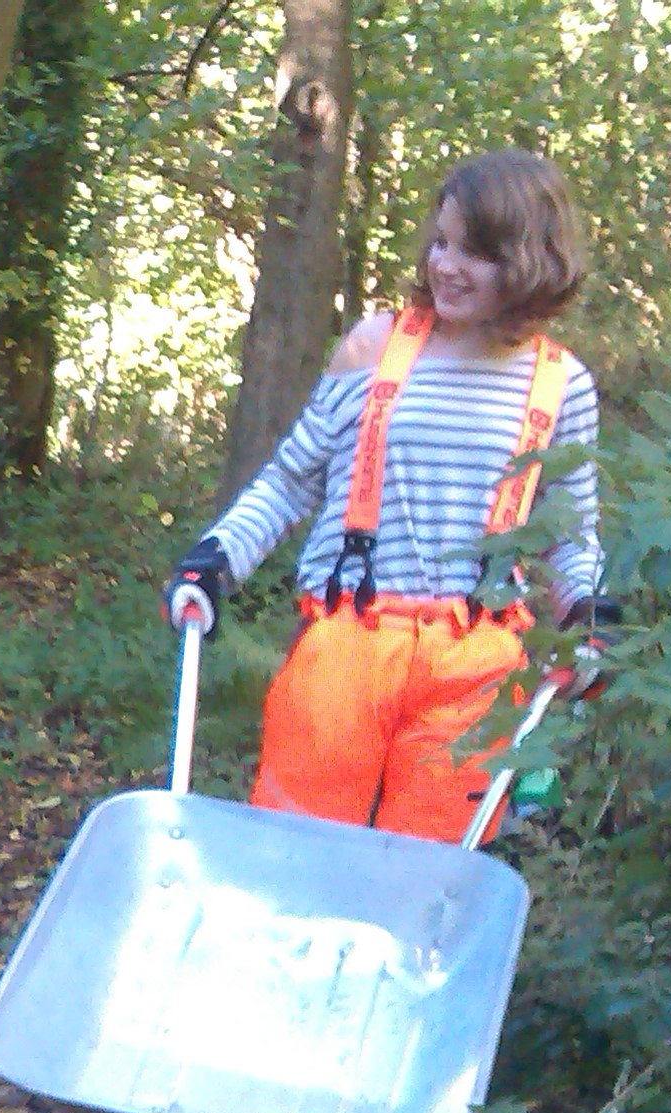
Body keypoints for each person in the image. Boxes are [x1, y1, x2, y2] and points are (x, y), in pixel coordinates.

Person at [165, 149, 611, 842]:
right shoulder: (375, 348)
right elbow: (291, 480)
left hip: (478, 661)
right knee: (293, 851)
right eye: (441, 242)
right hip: (347, 638)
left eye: (475, 252)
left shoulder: (562, 384)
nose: (445, 266)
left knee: (433, 878)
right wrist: (215, 562)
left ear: (527, 261)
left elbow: (570, 533)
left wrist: (586, 615)